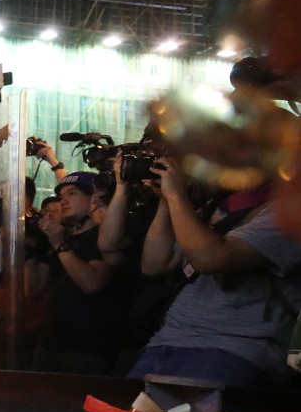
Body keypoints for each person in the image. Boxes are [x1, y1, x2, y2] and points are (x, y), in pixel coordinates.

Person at [128, 157, 301, 387]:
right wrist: (165, 201)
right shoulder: (216, 207)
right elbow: (155, 264)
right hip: (166, 341)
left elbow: (211, 258)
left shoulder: (289, 211)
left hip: (234, 349)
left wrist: (176, 196)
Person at [26, 171, 121, 375]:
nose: (64, 201)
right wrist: (29, 248)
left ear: (93, 200)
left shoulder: (104, 239)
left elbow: (92, 283)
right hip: (49, 342)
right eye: (61, 196)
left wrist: (59, 244)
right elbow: (34, 289)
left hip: (86, 348)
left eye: (72, 193)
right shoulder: (60, 238)